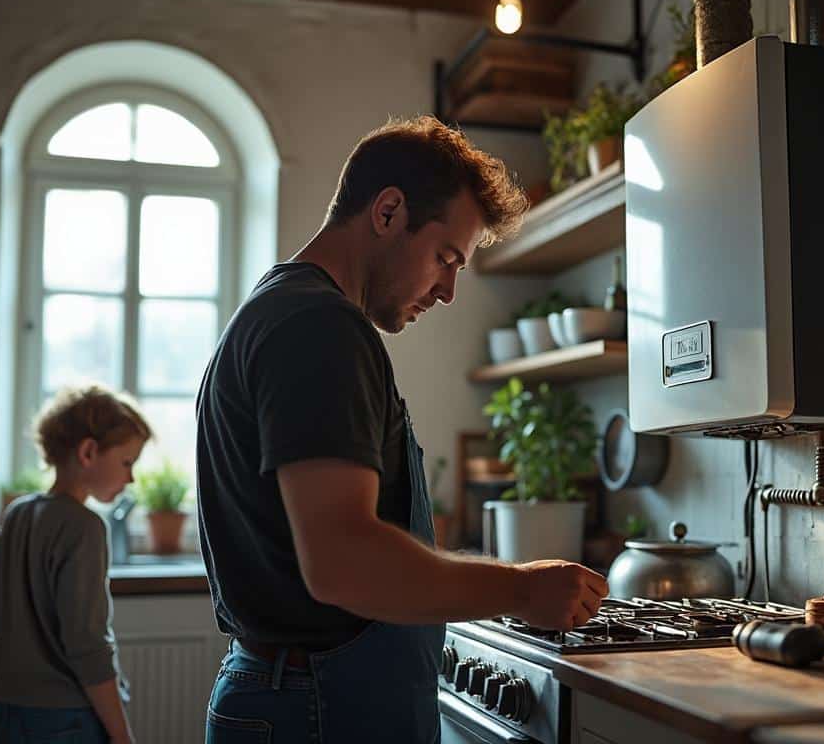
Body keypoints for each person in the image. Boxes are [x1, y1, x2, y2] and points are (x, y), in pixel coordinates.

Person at [197, 115, 609, 743]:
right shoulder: (319, 327)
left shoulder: (281, 310)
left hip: (303, 697)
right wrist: (521, 590)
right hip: (319, 710)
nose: (446, 291)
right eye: (446, 258)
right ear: (388, 212)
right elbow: (343, 561)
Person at [0, 385, 151, 744]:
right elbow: (88, 645)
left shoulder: (18, 513)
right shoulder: (85, 526)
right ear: (88, 452)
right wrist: (122, 735)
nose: (130, 478)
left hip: (10, 712)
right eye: (127, 462)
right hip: (67, 718)